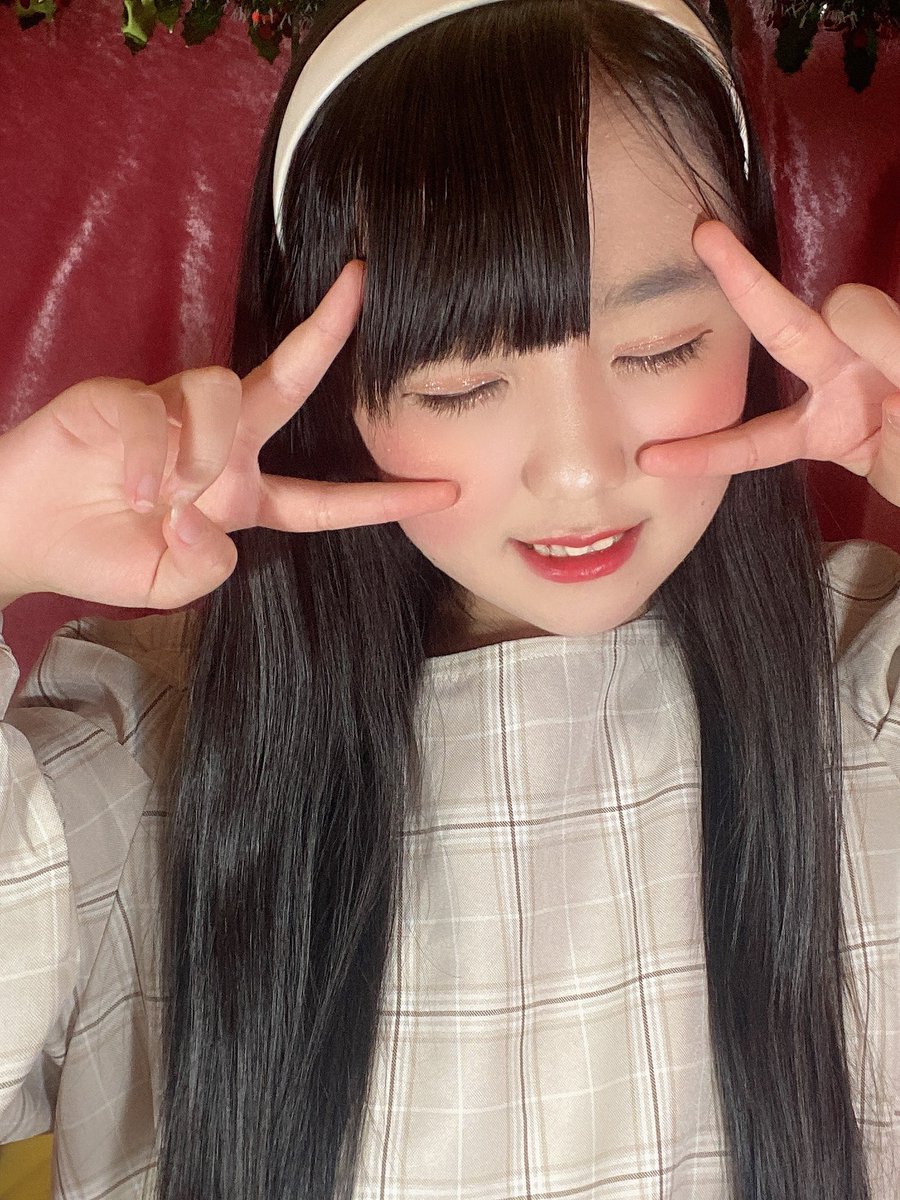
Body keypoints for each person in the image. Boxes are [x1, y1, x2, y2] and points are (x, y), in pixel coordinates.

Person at [0, 0, 898, 1197]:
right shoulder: (148, 756)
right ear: (337, 385)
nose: (578, 471)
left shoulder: (868, 696)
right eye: (464, 383)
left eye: (660, 348)